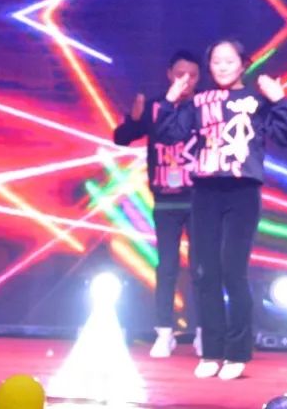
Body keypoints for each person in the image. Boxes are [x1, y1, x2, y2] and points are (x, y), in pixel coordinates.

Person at [156, 39, 287, 380]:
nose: (221, 67)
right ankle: (211, 351)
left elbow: (285, 136)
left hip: (242, 191)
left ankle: (237, 352)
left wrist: (279, 100)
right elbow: (169, 134)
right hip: (205, 191)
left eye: (229, 61)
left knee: (233, 271)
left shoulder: (256, 100)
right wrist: (171, 99)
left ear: (243, 64)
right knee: (205, 273)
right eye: (216, 61)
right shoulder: (200, 101)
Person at [113, 50, 202, 358]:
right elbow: (121, 138)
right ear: (169, 74)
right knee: (167, 267)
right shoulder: (154, 106)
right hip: (165, 199)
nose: (185, 81)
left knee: (202, 267)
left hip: (199, 199)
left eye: (192, 76)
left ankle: (204, 331)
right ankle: (164, 332)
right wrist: (134, 120)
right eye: (180, 74)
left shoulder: (204, 106)